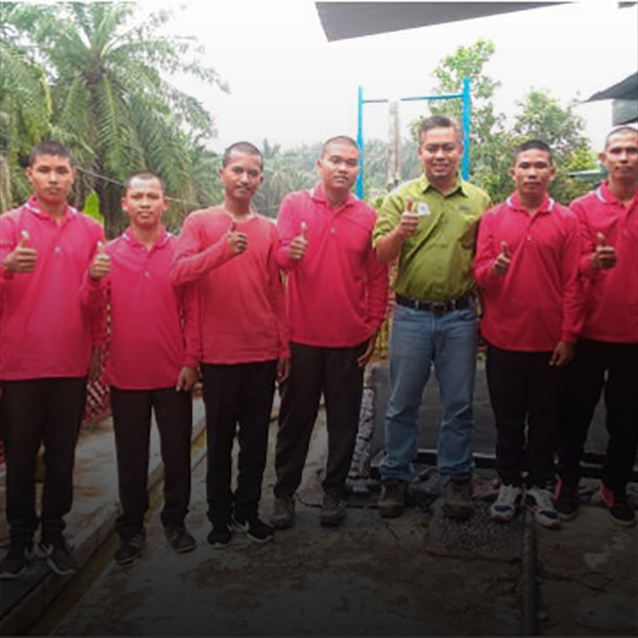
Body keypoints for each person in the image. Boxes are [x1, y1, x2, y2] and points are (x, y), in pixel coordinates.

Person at [373, 115, 491, 520]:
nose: (439, 155)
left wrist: (485, 319)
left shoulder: (478, 200)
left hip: (460, 317)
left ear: (460, 149)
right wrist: (399, 234)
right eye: (431, 148)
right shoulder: (399, 199)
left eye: (447, 147)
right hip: (411, 316)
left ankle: (457, 479)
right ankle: (395, 478)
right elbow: (380, 255)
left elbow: (484, 262)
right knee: (401, 402)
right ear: (419, 151)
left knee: (459, 404)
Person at [171, 142, 289, 546]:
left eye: (253, 172)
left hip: (261, 351)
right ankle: (218, 517)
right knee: (218, 443)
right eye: (237, 170)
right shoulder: (200, 222)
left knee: (255, 442)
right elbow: (178, 273)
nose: (244, 178)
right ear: (221, 174)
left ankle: (248, 512)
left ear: (260, 179)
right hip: (219, 355)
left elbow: (276, 292)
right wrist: (220, 252)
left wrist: (283, 347)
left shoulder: (269, 230)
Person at [0, 141, 107, 578]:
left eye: (61, 170)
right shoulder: (9, 225)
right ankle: (20, 539)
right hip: (20, 363)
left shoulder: (90, 230)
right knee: (21, 457)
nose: (53, 178)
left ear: (72, 176)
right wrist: (6, 266)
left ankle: (54, 533)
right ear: (31, 175)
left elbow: (92, 298)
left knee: (63, 455)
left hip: (70, 361)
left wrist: (98, 344)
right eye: (44, 170)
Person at [270, 135, 388, 529]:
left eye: (351, 162)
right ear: (319, 164)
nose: (342, 168)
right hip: (302, 337)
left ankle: (333, 491)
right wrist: (292, 253)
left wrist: (372, 323)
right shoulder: (294, 205)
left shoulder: (367, 216)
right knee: (294, 421)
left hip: (349, 340)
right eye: (335, 160)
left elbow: (376, 275)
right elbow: (279, 260)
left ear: (358, 169)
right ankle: (284, 494)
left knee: (345, 420)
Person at [91, 172, 201, 565]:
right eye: (137, 196)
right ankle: (132, 530)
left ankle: (175, 521)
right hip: (126, 375)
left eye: (152, 196)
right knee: (131, 456)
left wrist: (191, 360)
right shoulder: (108, 254)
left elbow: (194, 311)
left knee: (176, 454)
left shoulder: (180, 253)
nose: (144, 203)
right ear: (125, 204)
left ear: (164, 203)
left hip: (174, 374)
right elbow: (94, 309)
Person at [473, 140, 582, 529]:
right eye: (525, 165)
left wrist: (569, 335)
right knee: (507, 418)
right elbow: (479, 273)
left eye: (540, 166)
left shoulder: (567, 220)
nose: (532, 172)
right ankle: (508, 482)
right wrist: (495, 269)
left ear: (552, 172)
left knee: (547, 418)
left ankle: (537, 483)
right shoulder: (493, 218)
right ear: (513, 173)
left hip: (550, 341)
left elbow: (573, 282)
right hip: (503, 338)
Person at [555, 126, 638, 527]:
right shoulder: (582, 208)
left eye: (632, 151)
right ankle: (567, 480)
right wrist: (594, 263)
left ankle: (614, 484)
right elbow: (572, 269)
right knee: (575, 413)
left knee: (627, 417)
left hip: (634, 336)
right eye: (617, 151)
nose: (625, 157)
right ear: (603, 159)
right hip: (587, 332)